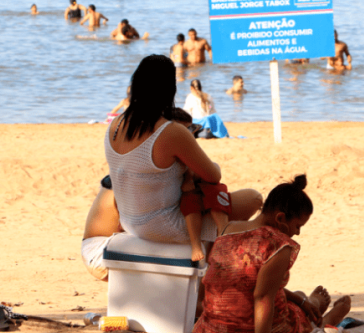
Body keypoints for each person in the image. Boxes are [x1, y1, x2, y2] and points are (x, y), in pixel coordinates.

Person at [105, 55, 261, 263]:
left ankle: (211, 253)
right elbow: (213, 175)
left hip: (130, 222)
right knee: (253, 198)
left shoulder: (114, 126)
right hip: (165, 227)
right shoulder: (171, 132)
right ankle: (213, 260)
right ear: (169, 89)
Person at [193, 175, 352, 333]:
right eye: (297, 226)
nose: (297, 233)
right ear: (280, 218)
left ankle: (307, 303)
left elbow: (247, 284)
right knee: (305, 332)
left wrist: (301, 302)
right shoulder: (278, 244)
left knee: (297, 298)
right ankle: (325, 321)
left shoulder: (227, 230)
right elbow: (262, 297)